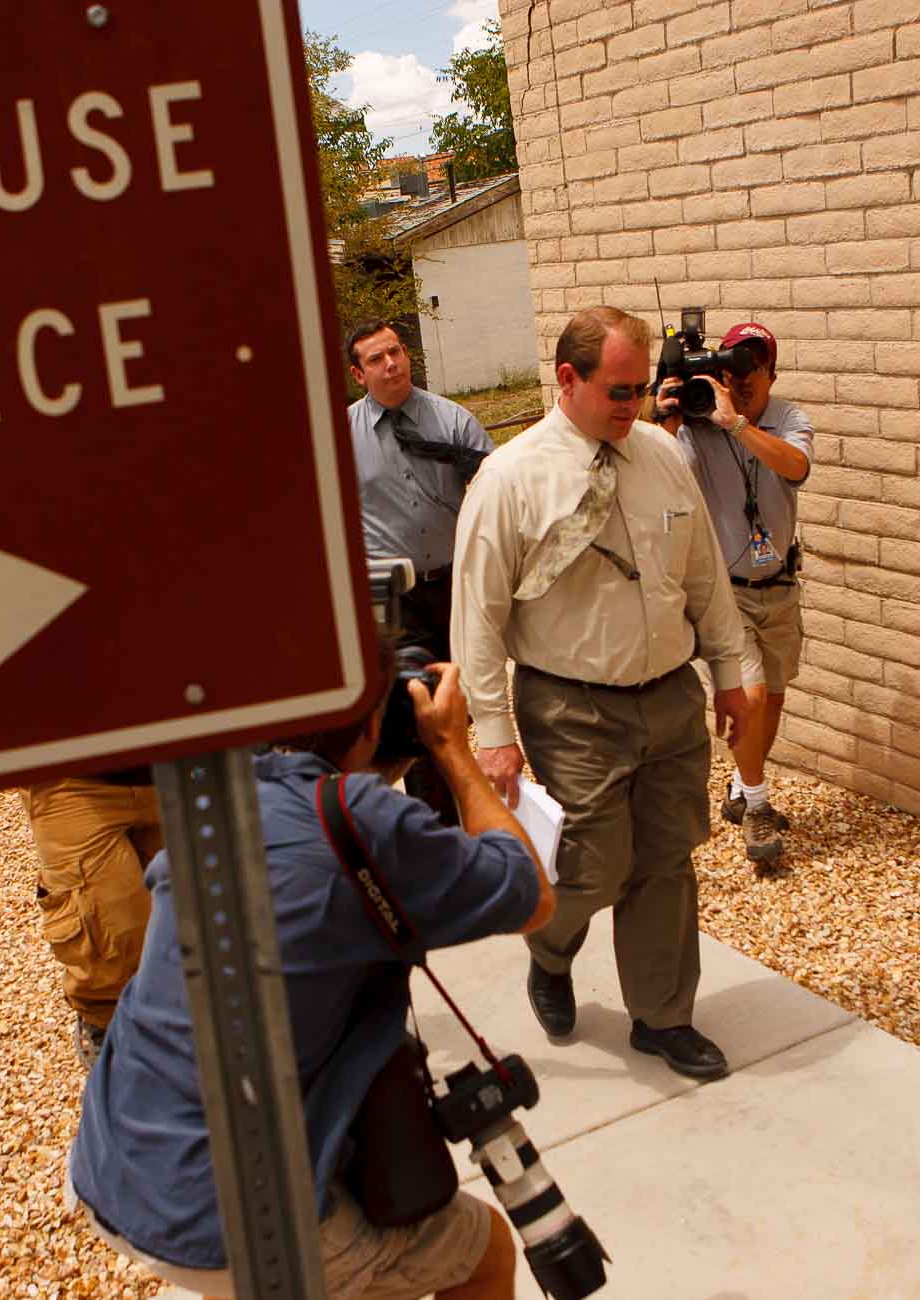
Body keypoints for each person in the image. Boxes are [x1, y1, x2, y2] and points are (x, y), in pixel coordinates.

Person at [69, 639, 554, 1300]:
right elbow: (530, 892)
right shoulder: (368, 823)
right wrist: (451, 750)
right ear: (377, 724)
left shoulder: (220, 789)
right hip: (219, 1221)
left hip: (115, 1165)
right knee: (481, 1251)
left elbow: (320, 825)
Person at [451, 305, 753, 1082]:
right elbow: (478, 616)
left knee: (665, 858)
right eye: (617, 390)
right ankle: (550, 951)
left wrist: (729, 672)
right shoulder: (511, 478)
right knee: (594, 864)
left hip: (670, 696)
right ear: (566, 379)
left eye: (641, 387)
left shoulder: (660, 456)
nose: (634, 404)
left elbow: (702, 576)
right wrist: (492, 729)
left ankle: (663, 1017)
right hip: (572, 704)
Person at [653, 322, 813, 873]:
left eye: (751, 374)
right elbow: (662, 475)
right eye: (730, 375)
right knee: (748, 694)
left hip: (781, 586)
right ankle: (759, 808)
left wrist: (738, 424)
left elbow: (796, 467)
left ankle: (745, 787)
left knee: (772, 697)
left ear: (772, 372)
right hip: (727, 591)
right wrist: (667, 420)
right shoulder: (699, 425)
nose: (740, 384)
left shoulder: (787, 419)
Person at [346, 319, 494, 826]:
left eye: (396, 352)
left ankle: (484, 812)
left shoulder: (452, 421)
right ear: (358, 374)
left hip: (457, 586)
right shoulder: (341, 437)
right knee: (415, 710)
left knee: (470, 702)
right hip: (393, 599)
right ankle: (440, 829)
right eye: (376, 359)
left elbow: (493, 492)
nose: (392, 364)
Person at [21, 769, 162, 1070]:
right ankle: (106, 1022)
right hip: (71, 778)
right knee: (110, 926)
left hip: (172, 761)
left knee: (190, 910)